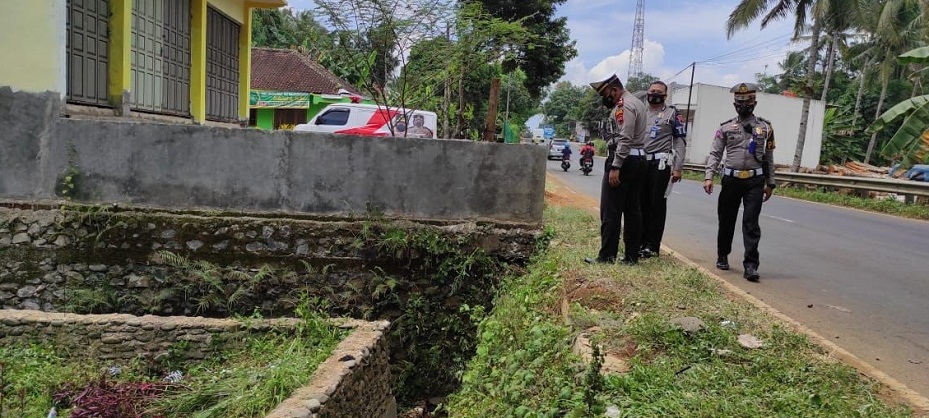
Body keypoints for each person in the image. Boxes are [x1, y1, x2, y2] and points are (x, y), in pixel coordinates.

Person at [703, 82, 777, 282]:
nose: (743, 105)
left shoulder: (765, 127)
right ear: (734, 104)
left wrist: (770, 183)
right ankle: (722, 255)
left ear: (755, 103)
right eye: (740, 102)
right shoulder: (725, 127)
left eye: (748, 101)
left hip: (755, 180)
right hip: (731, 179)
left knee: (751, 223)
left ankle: (751, 266)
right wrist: (709, 176)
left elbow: (769, 157)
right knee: (726, 220)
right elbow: (715, 153)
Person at [584, 74, 648, 265]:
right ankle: (631, 257)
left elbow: (625, 137)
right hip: (638, 159)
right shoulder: (637, 103)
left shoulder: (624, 106)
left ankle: (606, 257)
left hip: (625, 160)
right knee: (632, 210)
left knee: (611, 210)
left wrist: (616, 165)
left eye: (605, 94)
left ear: (614, 89)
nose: (605, 98)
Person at [638, 81, 687, 259]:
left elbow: (680, 141)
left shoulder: (672, 113)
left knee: (656, 205)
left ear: (665, 96)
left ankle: (652, 245)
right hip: (640, 162)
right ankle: (639, 242)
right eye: (652, 91)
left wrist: (678, 168)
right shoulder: (640, 112)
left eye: (659, 92)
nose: (655, 94)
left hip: (660, 164)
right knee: (639, 204)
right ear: (647, 93)